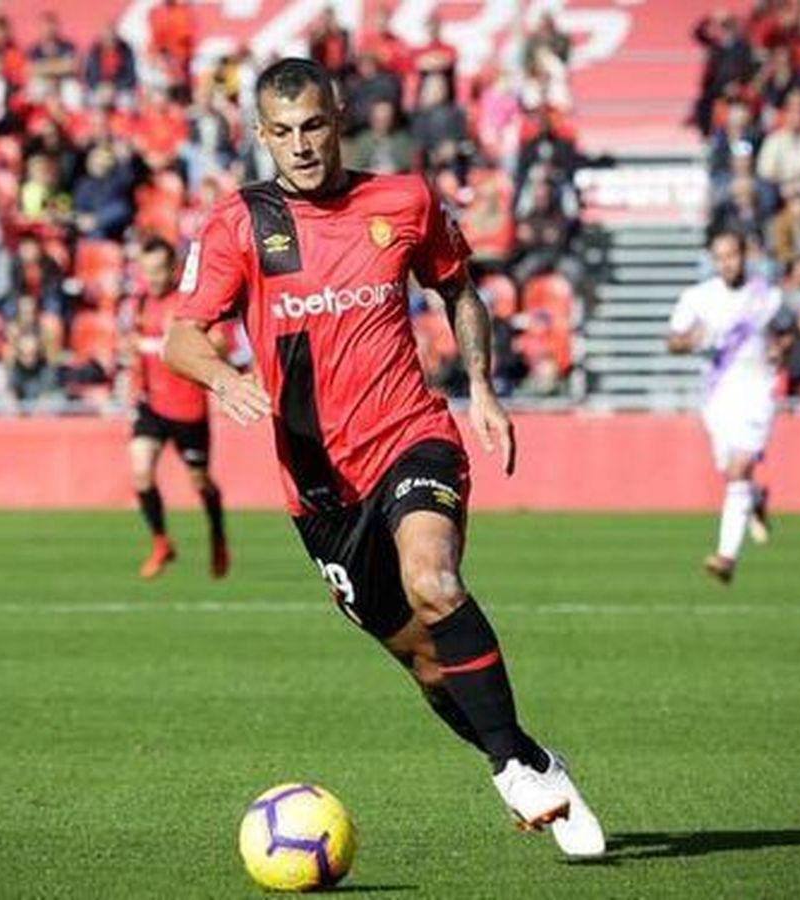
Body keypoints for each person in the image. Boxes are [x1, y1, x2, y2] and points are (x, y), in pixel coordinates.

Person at [161, 58, 605, 857]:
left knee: (434, 580)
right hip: (321, 490)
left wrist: (480, 386)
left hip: (411, 436)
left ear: (339, 120)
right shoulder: (239, 223)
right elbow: (180, 337)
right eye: (283, 132)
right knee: (431, 668)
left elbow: (459, 289)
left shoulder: (404, 200)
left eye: (314, 126)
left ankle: (511, 770)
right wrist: (223, 377)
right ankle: (534, 759)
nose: (301, 146)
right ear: (261, 135)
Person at [667, 230, 790, 583]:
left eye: (732, 255)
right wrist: (689, 340)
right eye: (720, 257)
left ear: (745, 255)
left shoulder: (766, 297)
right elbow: (672, 340)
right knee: (732, 471)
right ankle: (756, 498)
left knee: (738, 468)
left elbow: (787, 332)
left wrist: (780, 349)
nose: (727, 263)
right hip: (718, 394)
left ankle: (726, 557)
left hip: (758, 390)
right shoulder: (698, 298)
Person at [126, 238, 230, 580]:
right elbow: (136, 350)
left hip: (187, 408)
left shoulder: (188, 304)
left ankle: (217, 534)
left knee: (200, 482)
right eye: (146, 271)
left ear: (173, 269)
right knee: (141, 472)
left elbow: (219, 343)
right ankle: (161, 542)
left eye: (158, 270)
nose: (152, 278)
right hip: (151, 405)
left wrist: (201, 350)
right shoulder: (140, 302)